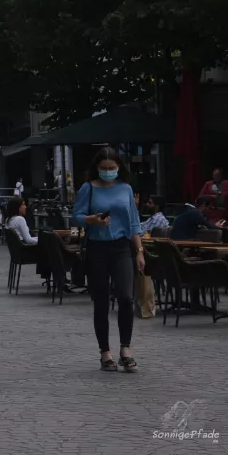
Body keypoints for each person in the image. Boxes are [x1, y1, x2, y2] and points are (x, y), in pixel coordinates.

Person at [71, 147, 144, 372]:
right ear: (97, 168)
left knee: (125, 296)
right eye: (103, 168)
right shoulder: (88, 188)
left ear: (119, 167)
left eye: (112, 168)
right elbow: (76, 216)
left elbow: (134, 223)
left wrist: (139, 250)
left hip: (122, 247)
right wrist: (91, 220)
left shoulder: (125, 189)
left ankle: (125, 348)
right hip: (97, 248)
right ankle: (105, 353)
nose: (108, 172)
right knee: (101, 301)